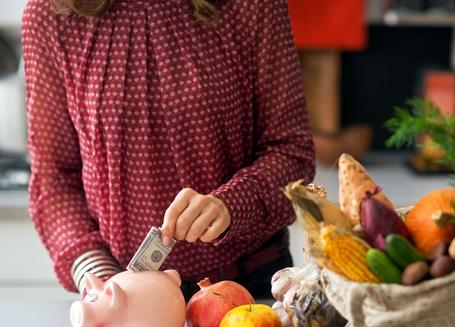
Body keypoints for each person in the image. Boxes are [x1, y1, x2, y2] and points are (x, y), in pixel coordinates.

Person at [22, 0, 315, 300]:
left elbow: (292, 153)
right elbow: (54, 180)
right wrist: (98, 277)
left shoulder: (251, 6)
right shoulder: (51, 15)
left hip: (249, 291)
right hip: (124, 302)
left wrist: (231, 205)